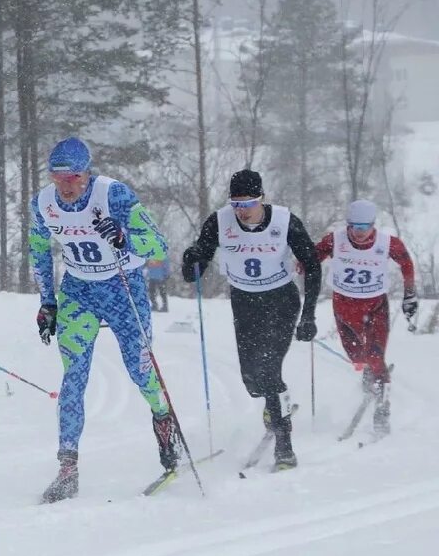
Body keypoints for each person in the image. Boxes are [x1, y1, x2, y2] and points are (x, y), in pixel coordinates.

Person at [29, 137, 176, 502]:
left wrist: (126, 238)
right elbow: (39, 252)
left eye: (74, 176)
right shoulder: (43, 203)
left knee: (140, 371)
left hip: (122, 288)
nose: (66, 184)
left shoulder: (113, 195)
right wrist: (48, 302)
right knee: (73, 377)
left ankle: (162, 418)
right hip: (79, 291)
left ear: (87, 172)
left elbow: (158, 247)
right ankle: (67, 467)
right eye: (58, 175)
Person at [181, 168, 321, 470]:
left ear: (262, 198)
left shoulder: (285, 221)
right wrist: (192, 260)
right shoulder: (220, 221)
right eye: (236, 204)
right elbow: (199, 258)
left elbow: (312, 264)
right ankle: (274, 404)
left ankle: (285, 446)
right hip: (245, 302)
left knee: (269, 369)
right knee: (252, 380)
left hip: (280, 300)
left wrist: (308, 314)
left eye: (248, 204)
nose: (242, 211)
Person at [314, 199, 418, 436]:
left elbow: (406, 263)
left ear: (373, 225)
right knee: (357, 358)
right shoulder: (336, 240)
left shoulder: (387, 243)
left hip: (375, 307)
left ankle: (383, 408)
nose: (359, 233)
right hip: (344, 308)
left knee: (374, 354)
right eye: (354, 227)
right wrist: (300, 265)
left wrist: (409, 294)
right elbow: (312, 257)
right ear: (348, 225)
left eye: (365, 227)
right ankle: (370, 372)